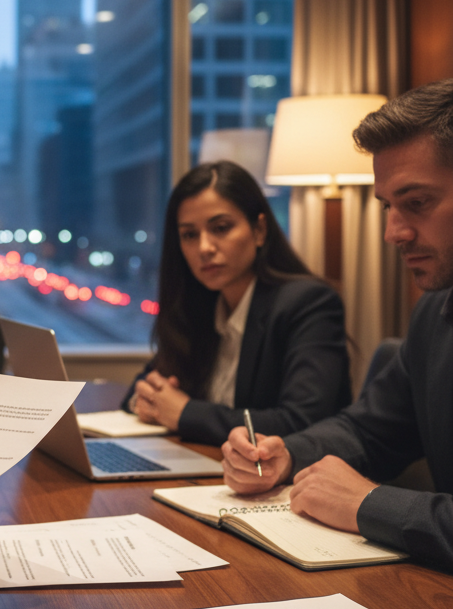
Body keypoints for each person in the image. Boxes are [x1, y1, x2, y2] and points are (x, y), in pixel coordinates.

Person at [223, 81, 453, 572]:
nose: (393, 232)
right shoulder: (435, 314)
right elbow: (370, 430)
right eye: (387, 206)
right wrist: (285, 455)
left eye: (416, 202)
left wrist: (369, 503)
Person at [125, 160, 351, 445]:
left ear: (259, 230)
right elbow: (140, 389)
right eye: (189, 235)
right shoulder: (200, 306)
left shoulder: (308, 304)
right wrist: (145, 403)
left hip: (288, 482)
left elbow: (302, 422)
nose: (204, 248)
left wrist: (183, 412)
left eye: (220, 228)